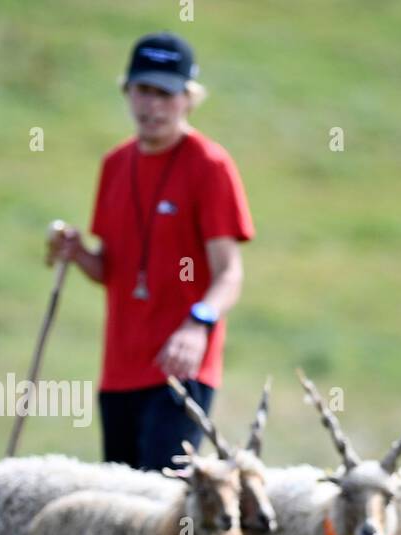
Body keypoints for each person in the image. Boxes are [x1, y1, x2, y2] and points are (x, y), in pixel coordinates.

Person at [48, 32, 254, 471]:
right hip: (120, 370)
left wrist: (198, 324)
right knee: (119, 508)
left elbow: (229, 272)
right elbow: (112, 269)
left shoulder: (210, 166)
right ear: (128, 91)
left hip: (180, 369)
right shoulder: (115, 164)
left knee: (160, 504)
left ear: (188, 99)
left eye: (166, 93)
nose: (152, 105)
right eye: (143, 90)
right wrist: (77, 253)